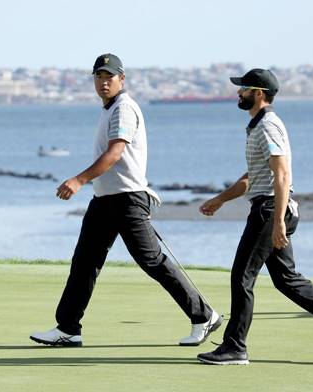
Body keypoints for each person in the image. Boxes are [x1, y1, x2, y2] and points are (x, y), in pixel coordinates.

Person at [30, 53, 221, 347]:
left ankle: (203, 316)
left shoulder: (124, 108)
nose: (104, 82)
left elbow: (115, 153)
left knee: (152, 261)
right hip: (105, 199)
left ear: (122, 79)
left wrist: (79, 180)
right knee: (84, 262)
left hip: (128, 200)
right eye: (99, 77)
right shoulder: (109, 109)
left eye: (110, 77)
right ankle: (68, 328)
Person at [196, 69, 313, 365]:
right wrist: (219, 200)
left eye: (244, 88)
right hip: (271, 208)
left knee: (242, 275)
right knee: (286, 279)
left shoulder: (269, 126)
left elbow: (282, 175)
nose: (239, 93)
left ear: (259, 93)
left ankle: (235, 347)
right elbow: (253, 177)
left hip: (271, 210)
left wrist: (278, 222)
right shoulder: (257, 126)